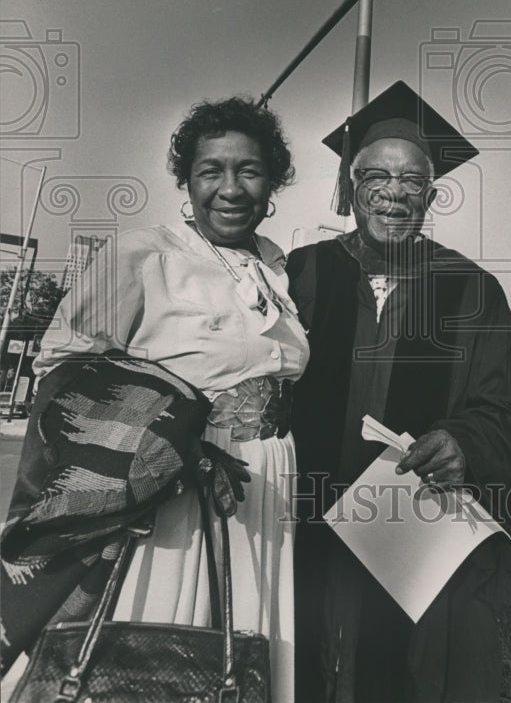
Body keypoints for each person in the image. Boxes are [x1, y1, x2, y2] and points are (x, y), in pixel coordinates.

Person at [3, 97, 309, 703]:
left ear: (272, 179)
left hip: (265, 488)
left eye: (248, 170)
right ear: (186, 180)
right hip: (170, 491)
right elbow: (64, 370)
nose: (230, 188)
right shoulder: (144, 254)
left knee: (235, 656)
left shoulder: (275, 267)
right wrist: (174, 444)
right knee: (145, 653)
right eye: (210, 171)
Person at [286, 81, 511, 703]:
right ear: (351, 189)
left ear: (432, 193)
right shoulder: (302, 273)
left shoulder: (470, 287)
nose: (394, 193)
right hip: (301, 529)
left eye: (412, 181)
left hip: (417, 541)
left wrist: (466, 442)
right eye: (376, 176)